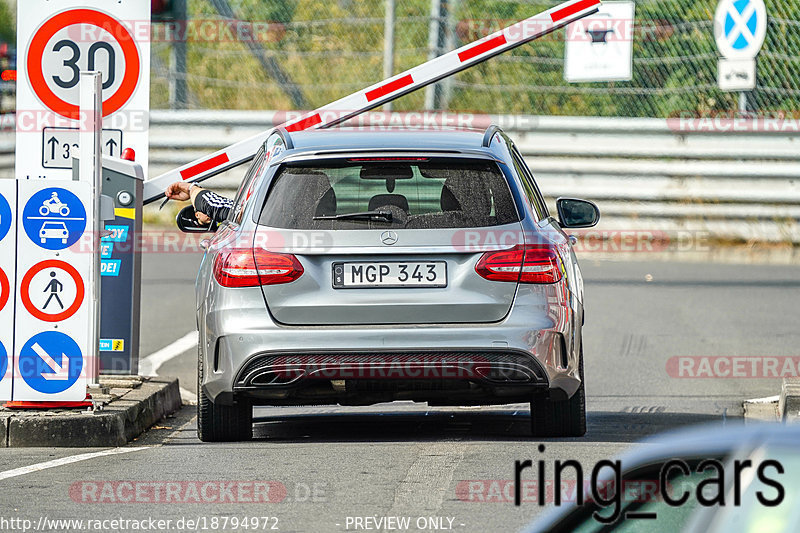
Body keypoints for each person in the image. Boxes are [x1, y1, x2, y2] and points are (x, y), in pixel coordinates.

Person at [164, 182, 233, 227]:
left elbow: (212, 207)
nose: (208, 214)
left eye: (205, 211)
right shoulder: (236, 212)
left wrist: (191, 188)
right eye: (204, 212)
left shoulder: (237, 212)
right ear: (197, 215)